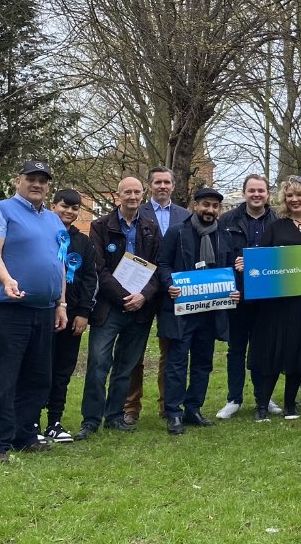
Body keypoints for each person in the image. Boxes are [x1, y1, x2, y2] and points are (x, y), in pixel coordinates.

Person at [0, 161, 67, 462]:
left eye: (43, 180)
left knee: (38, 378)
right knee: (2, 378)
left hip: (43, 310)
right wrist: (6, 279)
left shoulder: (55, 221)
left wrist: (60, 303)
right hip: (5, 309)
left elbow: (60, 264)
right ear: (19, 181)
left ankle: (23, 434)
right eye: (31, 178)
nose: (37, 184)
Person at [77, 176, 162, 440]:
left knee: (126, 366)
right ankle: (91, 420)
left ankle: (115, 416)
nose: (133, 196)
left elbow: (159, 268)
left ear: (143, 195)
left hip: (140, 310)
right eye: (128, 192)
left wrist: (143, 297)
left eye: (137, 192)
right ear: (118, 195)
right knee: (99, 364)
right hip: (109, 308)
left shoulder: (150, 227)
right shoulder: (100, 226)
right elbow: (97, 268)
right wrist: (124, 296)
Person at [156, 187, 239, 435]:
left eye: (214, 206)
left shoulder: (224, 235)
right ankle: (173, 412)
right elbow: (163, 264)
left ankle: (194, 408)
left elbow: (229, 270)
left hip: (211, 311)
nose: (210, 210)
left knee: (203, 363)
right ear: (195, 206)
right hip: (182, 310)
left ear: (219, 210)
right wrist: (169, 284)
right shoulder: (177, 232)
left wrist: (233, 291)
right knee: (177, 362)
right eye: (206, 205)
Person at [249, 177, 301, 421]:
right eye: (290, 196)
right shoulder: (276, 227)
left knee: (298, 349)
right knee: (271, 350)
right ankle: (262, 404)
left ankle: (291, 404)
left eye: (299, 195)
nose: (295, 200)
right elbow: (262, 262)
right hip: (276, 302)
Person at [127, 166, 191, 422]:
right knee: (135, 352)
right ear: (149, 186)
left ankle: (168, 404)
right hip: (141, 290)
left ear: (173, 186)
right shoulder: (136, 212)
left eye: (167, 182)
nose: (162, 186)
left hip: (173, 292)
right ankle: (131, 407)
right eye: (157, 182)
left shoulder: (185, 216)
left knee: (171, 351)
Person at [216, 174, 279, 419]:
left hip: (267, 297)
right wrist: (234, 265)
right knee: (236, 349)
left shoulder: (277, 221)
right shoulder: (227, 220)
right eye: (251, 190)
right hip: (238, 295)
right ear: (244, 193)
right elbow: (220, 257)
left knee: (264, 349)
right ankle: (234, 398)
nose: (256, 194)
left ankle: (265, 396)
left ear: (267, 194)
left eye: (260, 191)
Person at [41, 189, 99, 443]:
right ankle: (30, 420)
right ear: (53, 205)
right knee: (38, 367)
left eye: (75, 208)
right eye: (65, 206)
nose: (69, 212)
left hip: (73, 313)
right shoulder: (42, 234)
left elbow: (89, 278)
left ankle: (54, 420)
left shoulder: (83, 243)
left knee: (63, 369)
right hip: (42, 311)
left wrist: (84, 312)